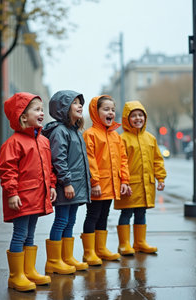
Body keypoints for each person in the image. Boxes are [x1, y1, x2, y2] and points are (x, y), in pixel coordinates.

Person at [0, 92, 57, 292]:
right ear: (23, 116)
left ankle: (28, 270)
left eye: (42, 109)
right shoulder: (14, 143)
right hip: (22, 197)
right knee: (20, 234)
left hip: (37, 196)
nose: (41, 113)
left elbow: (48, 168)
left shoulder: (43, 141)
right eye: (37, 109)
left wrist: (51, 186)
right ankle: (16, 276)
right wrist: (12, 193)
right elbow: (7, 170)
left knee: (30, 234)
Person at [42, 90, 92, 274]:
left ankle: (66, 257)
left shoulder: (74, 131)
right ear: (63, 108)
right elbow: (59, 159)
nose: (80, 106)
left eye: (81, 103)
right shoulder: (60, 131)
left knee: (70, 221)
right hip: (67, 186)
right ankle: (54, 261)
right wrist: (67, 182)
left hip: (75, 184)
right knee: (61, 220)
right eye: (75, 103)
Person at [81, 95, 131, 264]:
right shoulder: (90, 134)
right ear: (96, 112)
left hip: (111, 184)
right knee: (93, 215)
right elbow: (90, 160)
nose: (111, 112)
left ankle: (100, 249)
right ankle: (89, 252)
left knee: (104, 216)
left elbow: (123, 159)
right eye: (106, 109)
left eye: (112, 110)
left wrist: (124, 180)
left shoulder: (116, 136)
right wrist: (94, 182)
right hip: (98, 185)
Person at [116, 101, 166, 255]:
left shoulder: (150, 138)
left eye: (140, 115)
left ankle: (140, 242)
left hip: (146, 184)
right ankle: (124, 244)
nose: (138, 118)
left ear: (145, 117)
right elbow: (119, 162)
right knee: (126, 213)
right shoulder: (122, 139)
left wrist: (161, 178)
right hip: (129, 185)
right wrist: (123, 182)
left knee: (141, 213)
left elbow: (157, 159)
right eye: (134, 116)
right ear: (126, 118)